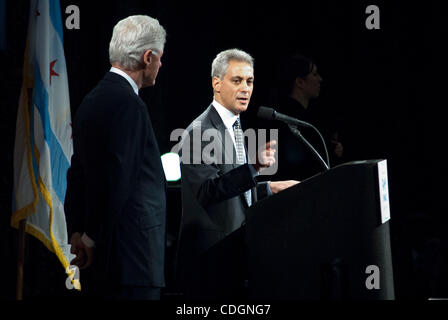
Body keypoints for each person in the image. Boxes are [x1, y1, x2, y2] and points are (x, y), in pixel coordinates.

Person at [176, 48, 298, 299]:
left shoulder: (234, 125)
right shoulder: (198, 131)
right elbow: (207, 192)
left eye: (250, 81)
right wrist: (252, 168)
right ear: (217, 84)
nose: (246, 88)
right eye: (237, 80)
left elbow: (233, 193)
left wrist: (269, 188)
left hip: (234, 259)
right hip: (209, 265)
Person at [64, 15, 167, 300]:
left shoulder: (92, 99)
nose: (161, 64)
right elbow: (117, 180)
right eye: (159, 57)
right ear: (148, 57)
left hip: (103, 262)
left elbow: (77, 173)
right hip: (131, 262)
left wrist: (77, 233)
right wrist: (90, 238)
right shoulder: (129, 105)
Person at [270, 54, 344, 181]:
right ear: (299, 81)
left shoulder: (308, 119)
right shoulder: (286, 119)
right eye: (314, 74)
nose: (320, 79)